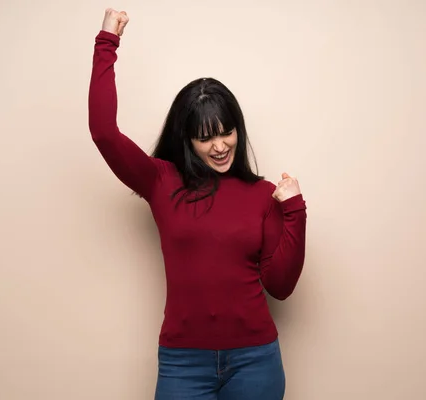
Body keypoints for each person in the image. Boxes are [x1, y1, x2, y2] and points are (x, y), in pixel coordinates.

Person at [88, 8, 307, 400]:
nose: (220, 146)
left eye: (227, 133)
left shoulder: (262, 195)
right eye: (206, 138)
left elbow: (281, 287)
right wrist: (107, 43)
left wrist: (295, 211)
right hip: (183, 363)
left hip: (255, 360)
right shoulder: (160, 180)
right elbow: (104, 133)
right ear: (187, 139)